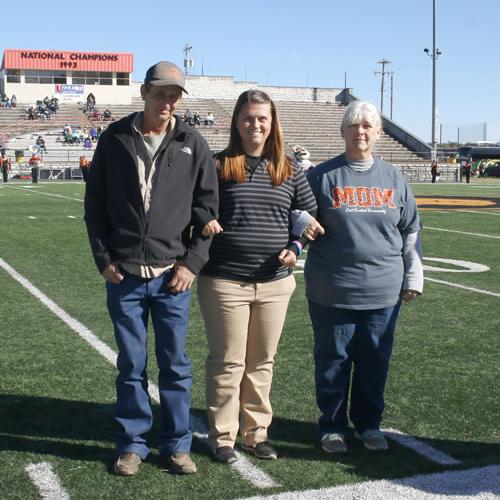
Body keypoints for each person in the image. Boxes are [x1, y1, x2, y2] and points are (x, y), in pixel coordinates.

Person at [84, 60, 218, 477]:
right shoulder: (115, 138)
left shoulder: (192, 143)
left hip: (171, 278)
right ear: (143, 92)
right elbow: (96, 206)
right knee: (131, 363)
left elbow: (209, 211)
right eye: (160, 93)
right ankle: (132, 444)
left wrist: (192, 264)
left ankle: (177, 445)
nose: (167, 101)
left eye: (174, 95)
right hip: (124, 276)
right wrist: (104, 259)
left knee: (175, 364)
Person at [197, 89, 317, 464]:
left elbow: (309, 218)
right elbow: (195, 207)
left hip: (275, 283)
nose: (255, 124)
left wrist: (295, 247)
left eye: (262, 118)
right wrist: (204, 219)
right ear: (236, 121)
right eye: (248, 117)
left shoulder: (289, 168)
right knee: (228, 361)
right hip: (224, 280)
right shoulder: (218, 165)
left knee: (262, 361)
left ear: (272, 122)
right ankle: (222, 437)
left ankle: (255, 433)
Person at [305, 101, 423, 454]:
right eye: (354, 126)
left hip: (383, 290)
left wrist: (413, 277)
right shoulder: (322, 176)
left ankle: (369, 424)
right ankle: (332, 426)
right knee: (333, 361)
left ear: (378, 133)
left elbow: (411, 230)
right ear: (343, 131)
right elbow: (300, 214)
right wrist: (302, 224)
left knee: (375, 360)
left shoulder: (394, 177)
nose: (361, 132)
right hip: (332, 289)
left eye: (368, 126)